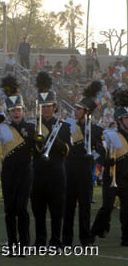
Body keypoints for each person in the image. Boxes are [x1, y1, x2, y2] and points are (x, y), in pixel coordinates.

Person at [0, 75, 35, 253]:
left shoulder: (31, 128)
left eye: (18, 109)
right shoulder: (3, 127)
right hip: (9, 172)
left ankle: (25, 244)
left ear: (23, 110)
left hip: (25, 172)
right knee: (10, 209)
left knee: (22, 207)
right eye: (12, 109)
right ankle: (12, 244)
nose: (16, 112)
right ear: (8, 112)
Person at [62, 81, 105, 246]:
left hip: (86, 171)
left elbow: (103, 151)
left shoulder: (96, 129)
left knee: (85, 206)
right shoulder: (68, 127)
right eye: (76, 108)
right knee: (68, 207)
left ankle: (85, 239)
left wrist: (95, 143)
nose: (76, 111)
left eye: (79, 109)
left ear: (86, 111)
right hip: (70, 169)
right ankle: (66, 239)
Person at [31, 72, 71, 248]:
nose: (46, 109)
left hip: (56, 173)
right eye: (43, 106)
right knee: (38, 212)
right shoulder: (33, 127)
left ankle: (56, 241)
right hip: (38, 174)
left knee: (56, 211)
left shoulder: (63, 126)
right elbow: (31, 151)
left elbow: (67, 150)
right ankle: (40, 241)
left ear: (54, 107)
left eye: (49, 106)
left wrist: (53, 142)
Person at [91, 89, 128, 245]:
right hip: (111, 177)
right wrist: (105, 161)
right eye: (126, 118)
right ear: (119, 120)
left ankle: (126, 238)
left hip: (127, 178)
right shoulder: (110, 134)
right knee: (107, 208)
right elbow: (96, 154)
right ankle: (95, 231)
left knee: (127, 210)